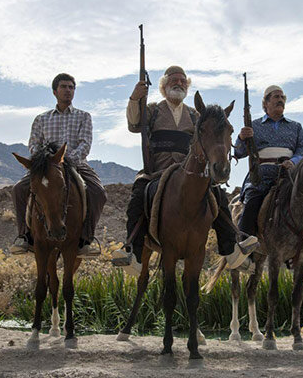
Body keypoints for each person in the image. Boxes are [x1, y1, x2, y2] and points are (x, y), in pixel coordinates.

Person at [111, 66, 259, 275]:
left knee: (218, 194)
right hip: (158, 171)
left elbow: (211, 135)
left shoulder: (195, 114)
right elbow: (134, 124)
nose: (179, 83)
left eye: (182, 81)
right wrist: (135, 99)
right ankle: (132, 253)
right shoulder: (152, 110)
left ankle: (230, 248)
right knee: (138, 196)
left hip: (188, 170)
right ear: (163, 86)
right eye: (174, 80)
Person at [235, 85, 303, 276]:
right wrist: (242, 138)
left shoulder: (295, 127)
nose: (280, 100)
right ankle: (245, 256)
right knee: (252, 202)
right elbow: (239, 152)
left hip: (290, 176)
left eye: (283, 97)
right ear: (265, 103)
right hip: (262, 174)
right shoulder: (255, 126)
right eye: (276, 97)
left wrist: (292, 162)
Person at [9, 73, 107, 258]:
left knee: (98, 192)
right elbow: (33, 144)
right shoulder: (41, 119)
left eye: (71, 87)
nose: (68, 90)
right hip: (46, 168)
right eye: (64, 87)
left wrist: (67, 160)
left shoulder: (84, 116)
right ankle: (24, 236)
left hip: (76, 164)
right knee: (18, 190)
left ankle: (86, 239)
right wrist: (45, 162)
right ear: (55, 91)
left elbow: (85, 143)